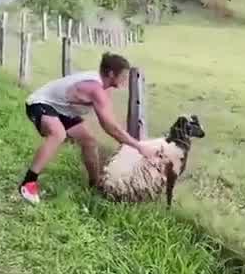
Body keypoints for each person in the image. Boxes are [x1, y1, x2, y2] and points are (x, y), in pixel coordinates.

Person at [20, 52, 158, 204]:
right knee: (57, 134)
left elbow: (110, 119)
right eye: (123, 76)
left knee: (89, 142)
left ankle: (95, 186)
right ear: (111, 74)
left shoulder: (105, 87)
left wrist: (127, 140)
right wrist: (138, 146)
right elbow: (109, 127)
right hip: (40, 103)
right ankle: (28, 183)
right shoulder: (95, 88)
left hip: (63, 110)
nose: (125, 80)